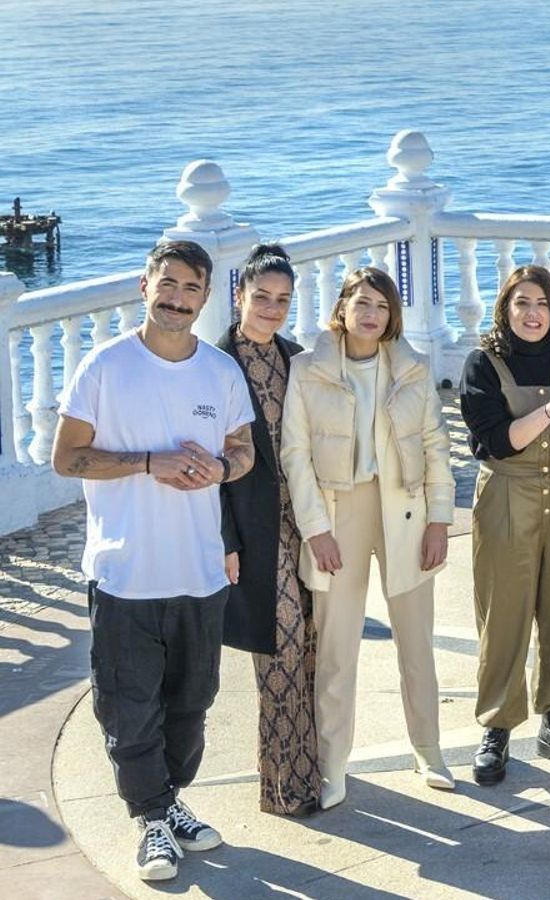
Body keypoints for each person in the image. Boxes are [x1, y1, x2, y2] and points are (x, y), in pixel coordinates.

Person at [53, 239, 255, 881]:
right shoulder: (106, 366)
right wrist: (147, 462)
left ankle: (168, 802)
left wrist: (221, 467)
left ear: (205, 296)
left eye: (191, 288)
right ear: (145, 286)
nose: (176, 297)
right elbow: (67, 458)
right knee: (128, 704)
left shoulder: (220, 371)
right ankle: (150, 821)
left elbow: (243, 448)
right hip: (125, 573)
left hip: (197, 572)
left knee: (192, 702)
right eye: (166, 283)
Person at [280, 266, 455, 809]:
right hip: (340, 513)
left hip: (404, 509)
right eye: (362, 303)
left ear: (391, 314)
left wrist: (439, 520)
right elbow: (296, 455)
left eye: (381, 305)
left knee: (416, 642)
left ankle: (429, 750)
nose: (371, 314)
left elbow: (435, 444)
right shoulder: (306, 369)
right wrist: (317, 530)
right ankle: (333, 767)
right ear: (342, 309)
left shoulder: (412, 368)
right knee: (336, 648)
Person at [459, 265, 550, 782]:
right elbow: (494, 442)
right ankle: (497, 726)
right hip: (506, 499)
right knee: (503, 616)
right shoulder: (482, 365)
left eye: (542, 303)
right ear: (505, 309)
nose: (533, 313)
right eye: (522, 303)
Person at [216, 244, 317, 817]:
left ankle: (315, 767)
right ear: (239, 296)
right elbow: (210, 466)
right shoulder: (216, 364)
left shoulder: (296, 357)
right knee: (279, 645)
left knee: (311, 648)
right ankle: (284, 786)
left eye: (282, 299)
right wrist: (226, 541)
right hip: (256, 530)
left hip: (306, 520)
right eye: (261, 297)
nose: (272, 309)